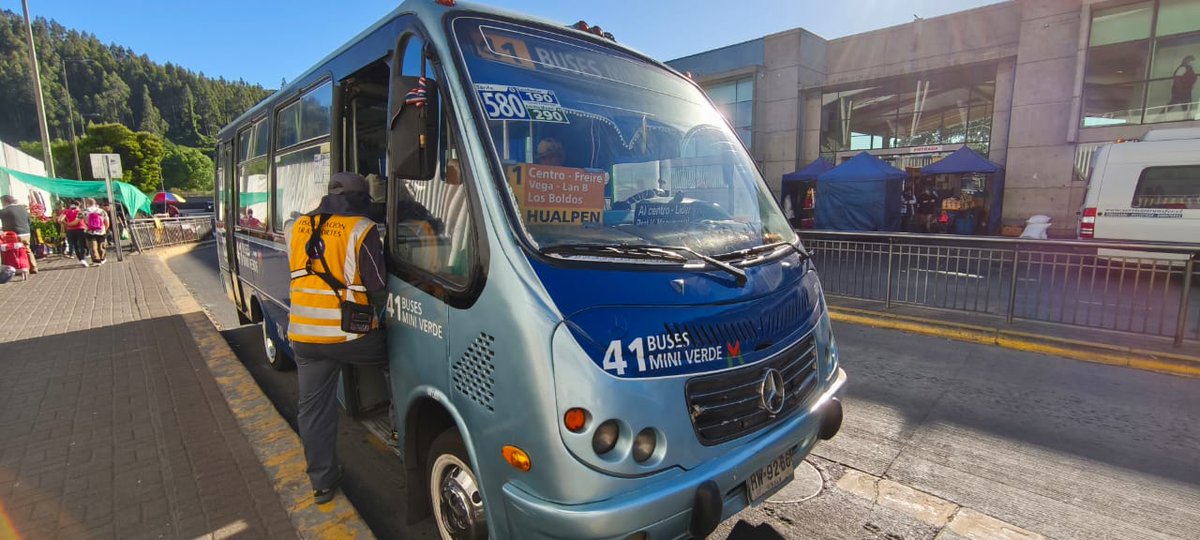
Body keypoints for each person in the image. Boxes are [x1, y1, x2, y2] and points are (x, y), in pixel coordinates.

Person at [286, 172, 387, 504]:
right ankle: (398, 425)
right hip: (351, 337)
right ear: (360, 198)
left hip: (304, 335)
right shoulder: (362, 228)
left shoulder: (297, 226)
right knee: (400, 356)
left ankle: (322, 483)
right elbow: (377, 285)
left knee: (313, 410)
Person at [0, 195, 37, 274]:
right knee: (27, 249)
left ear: (5, 202)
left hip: (12, 234)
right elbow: (30, 220)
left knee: (14, 251)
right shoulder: (23, 208)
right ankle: (33, 267)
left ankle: (18, 267)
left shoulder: (3, 211)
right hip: (26, 233)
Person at [59, 201, 91, 266]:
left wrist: (66, 225)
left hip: (70, 230)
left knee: (75, 245)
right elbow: (77, 222)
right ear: (78, 205)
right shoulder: (80, 211)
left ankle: (80, 259)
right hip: (80, 229)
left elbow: (59, 220)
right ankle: (83, 259)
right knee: (82, 244)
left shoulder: (66, 211)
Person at [82, 198, 110, 265]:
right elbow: (107, 222)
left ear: (87, 204)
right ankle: (102, 259)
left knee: (92, 247)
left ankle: (96, 261)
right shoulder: (101, 211)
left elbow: (78, 221)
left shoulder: (84, 211)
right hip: (101, 231)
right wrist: (105, 229)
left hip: (89, 231)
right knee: (101, 246)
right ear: (95, 203)